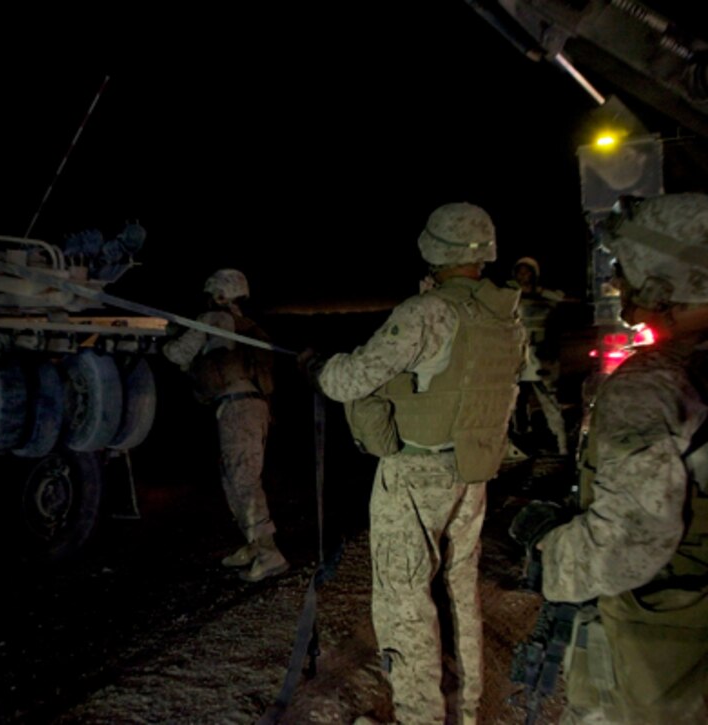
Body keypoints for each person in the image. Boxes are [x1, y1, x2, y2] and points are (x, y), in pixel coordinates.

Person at [302, 202, 527, 725]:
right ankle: (466, 711)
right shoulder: (503, 315)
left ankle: (420, 716)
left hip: (416, 473)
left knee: (405, 603)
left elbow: (348, 381)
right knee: (459, 594)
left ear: (433, 250)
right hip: (471, 471)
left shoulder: (427, 312)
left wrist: (316, 368)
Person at [509, 192, 708, 724]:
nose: (617, 281)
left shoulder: (651, 387)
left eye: (627, 268)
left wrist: (549, 549)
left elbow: (627, 544)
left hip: (665, 661)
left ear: (665, 283)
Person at [161, 268, 288, 583]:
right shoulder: (248, 327)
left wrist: (171, 334)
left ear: (219, 295)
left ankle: (269, 553)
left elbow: (176, 354)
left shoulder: (213, 320)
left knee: (243, 480)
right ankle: (253, 544)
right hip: (253, 408)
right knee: (235, 477)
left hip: (236, 410)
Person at [507, 256, 570, 455]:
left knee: (549, 402)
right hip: (516, 356)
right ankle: (520, 442)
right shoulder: (508, 296)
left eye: (527, 272)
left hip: (541, 356)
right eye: (520, 271)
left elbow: (563, 300)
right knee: (513, 402)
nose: (523, 276)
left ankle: (562, 447)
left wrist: (540, 293)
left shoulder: (544, 296)